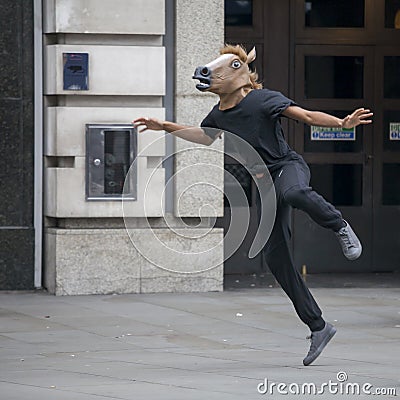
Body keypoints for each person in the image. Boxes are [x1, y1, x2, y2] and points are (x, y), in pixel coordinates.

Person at [133, 44, 373, 366]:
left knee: (294, 193)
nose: (214, 73)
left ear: (243, 75)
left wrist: (342, 123)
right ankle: (318, 326)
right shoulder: (219, 114)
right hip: (262, 184)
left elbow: (305, 116)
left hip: (287, 168)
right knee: (275, 257)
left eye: (228, 66)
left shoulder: (263, 99)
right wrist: (166, 126)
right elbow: (204, 136)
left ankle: (339, 225)